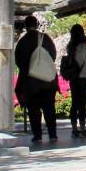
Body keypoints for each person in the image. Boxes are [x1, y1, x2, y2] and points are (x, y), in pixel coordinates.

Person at [14, 15, 58, 143]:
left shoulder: (23, 41)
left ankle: (37, 135)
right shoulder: (46, 39)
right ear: (37, 24)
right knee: (49, 108)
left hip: (31, 81)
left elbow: (19, 61)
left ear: (25, 26)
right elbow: (53, 56)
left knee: (33, 109)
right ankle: (52, 134)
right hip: (48, 79)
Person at [61, 24, 86, 138]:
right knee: (82, 103)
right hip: (84, 76)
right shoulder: (84, 46)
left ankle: (74, 128)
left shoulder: (71, 46)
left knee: (74, 102)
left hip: (74, 77)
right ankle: (83, 128)